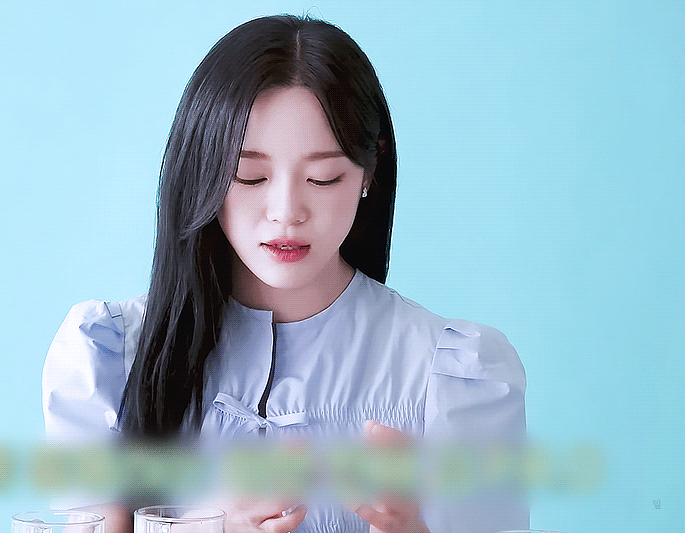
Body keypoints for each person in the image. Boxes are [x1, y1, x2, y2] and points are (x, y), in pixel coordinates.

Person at [42, 14, 528, 533]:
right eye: (249, 176)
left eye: (323, 178)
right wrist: (209, 524)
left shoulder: (455, 376)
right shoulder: (111, 356)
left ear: (368, 173)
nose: (286, 213)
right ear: (202, 172)